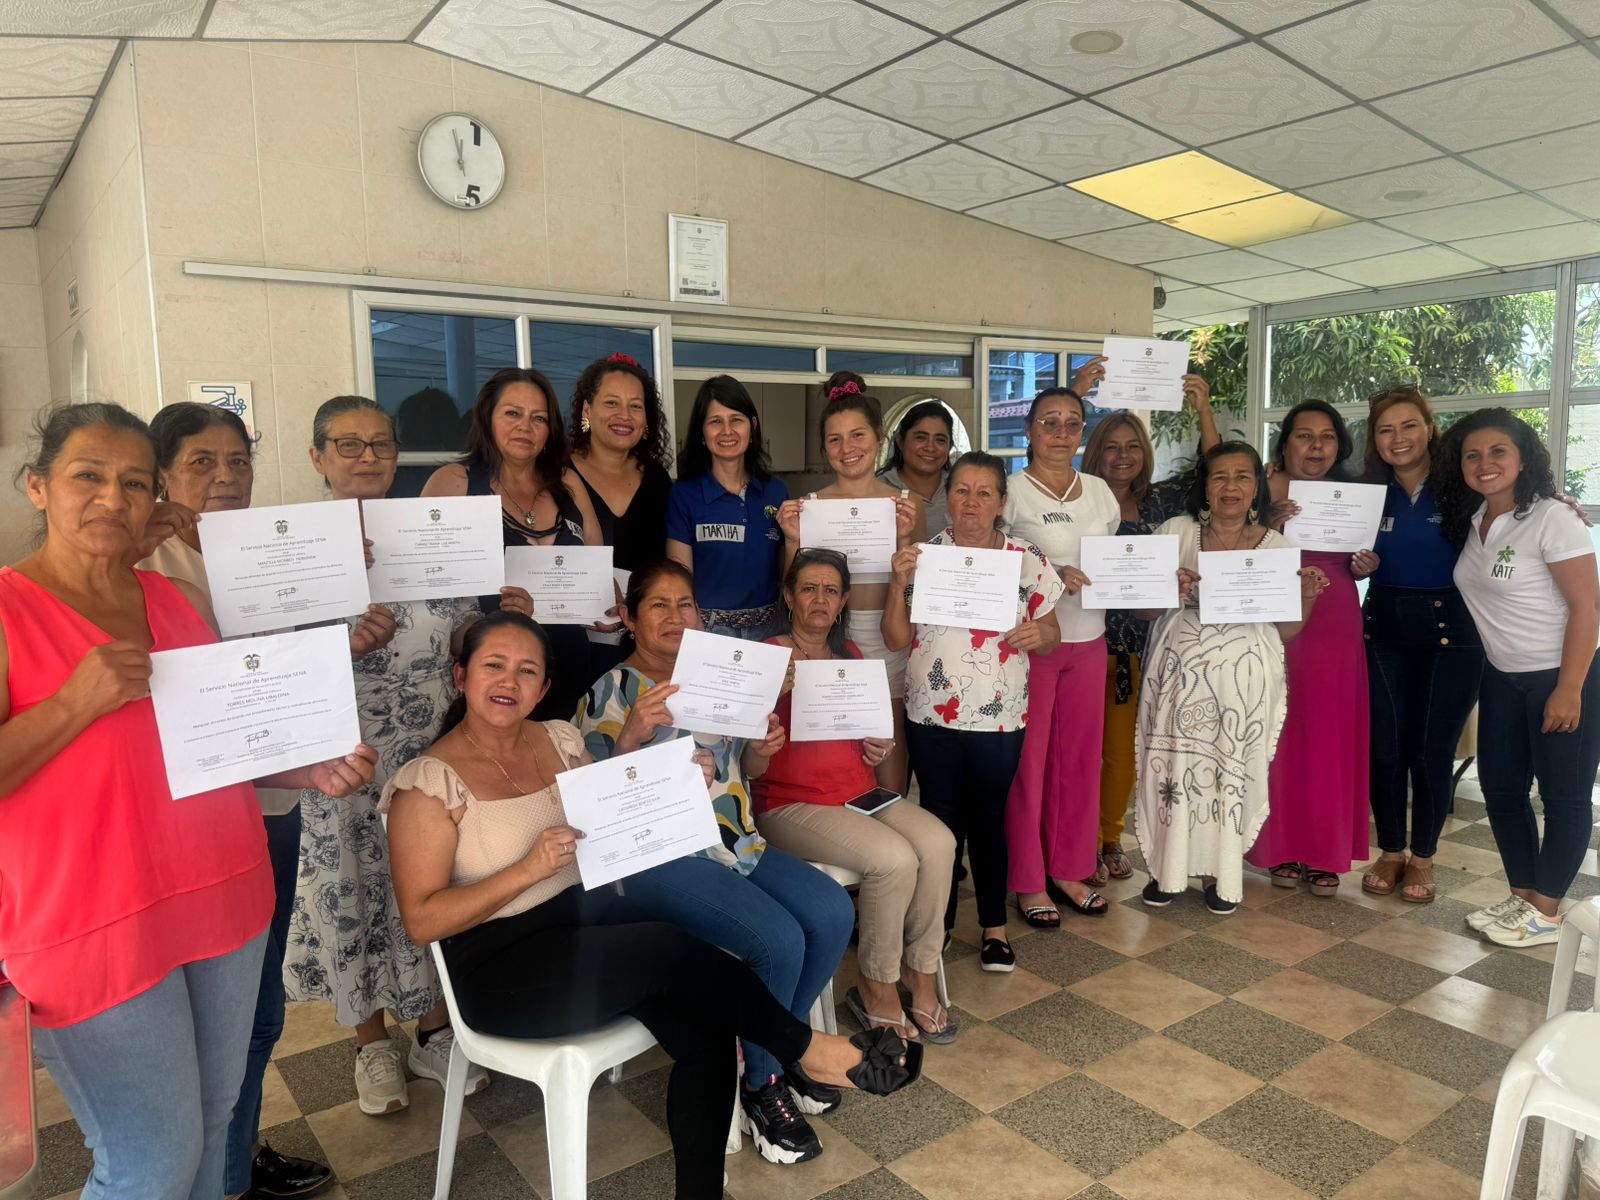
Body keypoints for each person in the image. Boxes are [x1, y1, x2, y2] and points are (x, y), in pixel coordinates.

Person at [382, 611, 920, 1200]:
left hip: (582, 928)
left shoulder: (558, 740)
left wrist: (670, 778)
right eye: (493, 665)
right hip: (499, 967)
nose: (509, 680)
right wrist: (526, 870)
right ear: (461, 676)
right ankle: (808, 1051)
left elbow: (610, 808)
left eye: (526, 670)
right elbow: (422, 920)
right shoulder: (427, 782)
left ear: (541, 686)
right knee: (668, 946)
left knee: (706, 1019)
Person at [1, 402, 376, 1200]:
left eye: (133, 483)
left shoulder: (171, 604)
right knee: (152, 1164)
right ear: (37, 487)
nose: (113, 498)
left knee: (214, 1126)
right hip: (96, 925)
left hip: (224, 898)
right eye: (87, 476)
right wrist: (71, 704)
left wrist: (307, 771)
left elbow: (216, 749)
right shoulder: (9, 609)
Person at [139, 402, 391, 1200]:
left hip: (274, 809)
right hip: (190, 827)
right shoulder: (141, 569)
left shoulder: (253, 555)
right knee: (201, 1026)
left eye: (237, 461)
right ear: (163, 475)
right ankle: (204, 1173)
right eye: (202, 463)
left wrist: (339, 645)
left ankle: (233, 1161)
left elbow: (274, 671)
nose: (224, 478)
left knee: (257, 1011)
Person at [574, 561, 856, 1166]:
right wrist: (630, 738)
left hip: (735, 840)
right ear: (629, 617)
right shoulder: (611, 691)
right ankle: (761, 1083)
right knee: (777, 939)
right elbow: (590, 805)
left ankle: (781, 1054)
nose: (676, 618)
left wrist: (757, 752)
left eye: (686, 605)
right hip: (657, 858)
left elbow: (741, 776)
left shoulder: (715, 680)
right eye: (658, 606)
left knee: (831, 912)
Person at [283, 396, 491, 1120]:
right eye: (348, 444)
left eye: (380, 444)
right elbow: (263, 665)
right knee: (353, 893)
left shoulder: (427, 534)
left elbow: (462, 634)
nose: (367, 456)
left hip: (427, 754)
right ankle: (370, 1042)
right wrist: (338, 646)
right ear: (318, 458)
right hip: (339, 758)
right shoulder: (292, 549)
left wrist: (496, 619)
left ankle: (434, 1031)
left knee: (425, 889)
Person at [755, 548, 957, 1043]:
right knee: (892, 859)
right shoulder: (767, 656)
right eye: (808, 589)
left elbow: (869, 744)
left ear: (844, 599)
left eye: (830, 590)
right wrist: (762, 731)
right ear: (788, 596)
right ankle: (876, 985)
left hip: (858, 794)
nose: (819, 599)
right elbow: (747, 761)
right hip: (790, 801)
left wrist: (878, 747)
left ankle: (920, 971)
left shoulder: (854, 657)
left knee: (939, 843)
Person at [884, 452, 1065, 973]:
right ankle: (937, 924)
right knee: (940, 822)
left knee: (989, 820)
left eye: (985, 492)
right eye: (962, 490)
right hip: (931, 715)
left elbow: (1052, 634)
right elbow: (897, 639)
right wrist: (898, 585)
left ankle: (993, 927)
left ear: (1001, 503)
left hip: (999, 717)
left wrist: (1041, 634)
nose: (972, 502)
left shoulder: (1025, 557)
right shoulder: (925, 557)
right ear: (948, 498)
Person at [1137, 442, 1328, 912]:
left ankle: (1218, 875)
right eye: (1220, 476)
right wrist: (1168, 587)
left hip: (1244, 685)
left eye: (1243, 477)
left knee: (1228, 773)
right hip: (1177, 680)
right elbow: (1143, 611)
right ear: (1204, 484)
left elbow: (1285, 629)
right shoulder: (1175, 533)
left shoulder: (1277, 545)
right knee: (1174, 769)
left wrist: (1307, 595)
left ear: (1256, 488)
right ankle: (1168, 869)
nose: (1231, 487)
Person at [1435, 408, 1600, 947]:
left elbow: (1586, 609)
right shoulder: (1478, 517)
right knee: (1503, 789)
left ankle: (1548, 910)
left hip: (1563, 674)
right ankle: (1524, 892)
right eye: (1472, 454)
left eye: (1498, 451)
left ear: (1523, 457)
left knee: (1564, 796)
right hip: (1503, 677)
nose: (1485, 463)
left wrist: (1569, 688)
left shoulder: (1553, 517)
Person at [1078, 367, 1221, 886]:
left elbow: (1213, 472)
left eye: (1132, 446)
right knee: (1078, 750)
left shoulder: (1161, 501)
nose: (1122, 455)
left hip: (1141, 646)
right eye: (1111, 446)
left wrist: (1202, 410)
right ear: (1095, 453)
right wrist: (1073, 396)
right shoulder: (1079, 497)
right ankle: (1078, 841)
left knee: (1120, 751)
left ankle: (1109, 838)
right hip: (1080, 640)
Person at [1358, 387, 1486, 904]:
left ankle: (1423, 858)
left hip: (1454, 630)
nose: (1398, 438)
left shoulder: (1462, 486)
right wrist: (1357, 565)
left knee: (1430, 751)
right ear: (1376, 440)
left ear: (1430, 428)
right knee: (1385, 748)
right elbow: (1346, 549)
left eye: (1408, 426)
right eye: (1386, 430)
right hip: (1384, 621)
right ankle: (1390, 851)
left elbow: (1514, 509)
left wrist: (1556, 500)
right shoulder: (1369, 490)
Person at [1001, 386, 1120, 927]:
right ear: (1029, 431)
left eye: (1072, 423)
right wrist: (1048, 574)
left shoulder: (1099, 492)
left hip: (1089, 643)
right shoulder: (1011, 493)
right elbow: (996, 562)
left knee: (1078, 760)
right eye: (1049, 422)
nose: (1061, 432)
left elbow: (1117, 562)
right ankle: (1028, 879)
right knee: (1029, 764)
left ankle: (1070, 868)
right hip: (1032, 646)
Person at [423, 366, 606, 721]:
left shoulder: (568, 483)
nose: (526, 426)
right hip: (497, 683)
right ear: (487, 417)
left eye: (539, 418)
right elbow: (429, 601)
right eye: (512, 413)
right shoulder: (453, 483)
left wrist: (604, 595)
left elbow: (595, 567)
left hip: (570, 671)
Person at [776, 380, 922, 791]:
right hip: (827, 634)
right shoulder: (812, 506)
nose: (847, 448)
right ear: (824, 449)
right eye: (834, 440)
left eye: (858, 435)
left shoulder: (906, 504)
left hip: (887, 637)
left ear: (880, 438)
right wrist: (792, 540)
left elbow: (913, 587)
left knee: (887, 749)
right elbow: (795, 588)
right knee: (832, 742)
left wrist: (905, 537)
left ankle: (887, 838)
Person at [1252, 400, 1371, 895]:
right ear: (1285, 444)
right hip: (1276, 613)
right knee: (1279, 729)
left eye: (1326, 437)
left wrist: (1367, 563)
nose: (1316, 446)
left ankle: (1324, 851)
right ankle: (1279, 846)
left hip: (1335, 617)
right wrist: (1267, 523)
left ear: (1339, 446)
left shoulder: (1357, 495)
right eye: (1304, 435)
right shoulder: (1262, 489)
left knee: (1328, 732)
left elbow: (1364, 556)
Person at [566, 352, 675, 677]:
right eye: (611, 403)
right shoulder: (556, 476)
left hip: (644, 644)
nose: (624, 415)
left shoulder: (658, 478)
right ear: (588, 409)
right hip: (574, 640)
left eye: (635, 406)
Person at [666, 375, 789, 641]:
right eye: (715, 421)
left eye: (736, 419)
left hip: (770, 632)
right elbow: (679, 578)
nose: (727, 431)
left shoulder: (776, 491)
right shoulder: (684, 495)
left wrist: (796, 539)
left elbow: (788, 576)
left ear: (752, 426)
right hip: (707, 630)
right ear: (701, 432)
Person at [879, 399, 955, 537]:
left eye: (940, 440)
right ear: (900, 442)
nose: (930, 447)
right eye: (921, 438)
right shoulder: (878, 489)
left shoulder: (961, 489)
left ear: (949, 446)